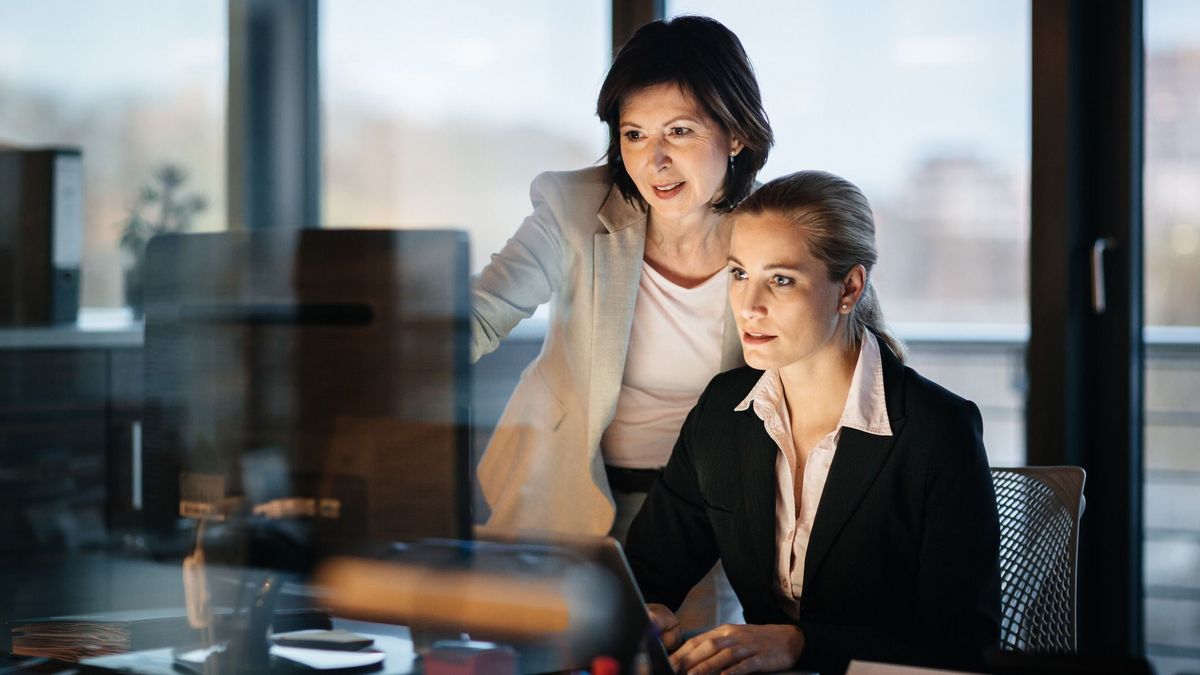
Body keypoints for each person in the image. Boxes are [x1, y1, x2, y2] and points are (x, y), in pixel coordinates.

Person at [625, 170, 1002, 675]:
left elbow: (963, 651)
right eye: (739, 274)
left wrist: (802, 644)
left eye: (780, 280)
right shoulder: (723, 412)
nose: (749, 305)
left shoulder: (936, 430)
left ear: (848, 288)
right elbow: (646, 574)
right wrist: (644, 613)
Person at [471, 15, 773, 542]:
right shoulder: (575, 208)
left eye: (680, 131)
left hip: (711, 513)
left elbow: (857, 355)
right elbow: (482, 313)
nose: (654, 160)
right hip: (559, 491)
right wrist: (387, 367)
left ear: (737, 134)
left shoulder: (778, 232)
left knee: (692, 629)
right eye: (634, 134)